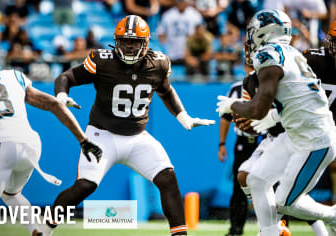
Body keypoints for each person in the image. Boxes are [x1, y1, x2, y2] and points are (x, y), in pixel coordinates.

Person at [41, 15, 215, 236]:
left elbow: (166, 91)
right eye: (125, 41)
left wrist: (183, 116)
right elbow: (66, 77)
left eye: (134, 41)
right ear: (116, 41)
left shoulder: (158, 63)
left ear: (146, 43)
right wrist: (62, 95)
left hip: (138, 138)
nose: (130, 46)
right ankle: (44, 228)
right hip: (101, 136)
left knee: (167, 178)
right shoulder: (102, 60)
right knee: (85, 185)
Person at [0, 40, 102, 236]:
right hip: (31, 144)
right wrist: (83, 140)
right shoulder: (14, 76)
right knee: (11, 194)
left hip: (2, 147)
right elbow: (55, 105)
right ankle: (39, 231)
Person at [216, 9, 336, 235]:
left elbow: (257, 109)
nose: (250, 38)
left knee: (285, 202)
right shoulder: (292, 52)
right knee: (255, 179)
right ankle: (270, 231)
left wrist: (231, 106)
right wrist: (273, 116)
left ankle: (332, 216)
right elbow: (297, 99)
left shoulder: (268, 55)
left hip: (314, 140)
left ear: (264, 32)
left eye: (253, 32)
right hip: (296, 133)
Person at [218, 76, 260, 236]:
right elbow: (226, 118)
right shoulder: (237, 88)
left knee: (272, 185)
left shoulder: (268, 82)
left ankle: (277, 226)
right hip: (243, 142)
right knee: (239, 186)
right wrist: (221, 144)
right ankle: (235, 229)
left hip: (266, 140)